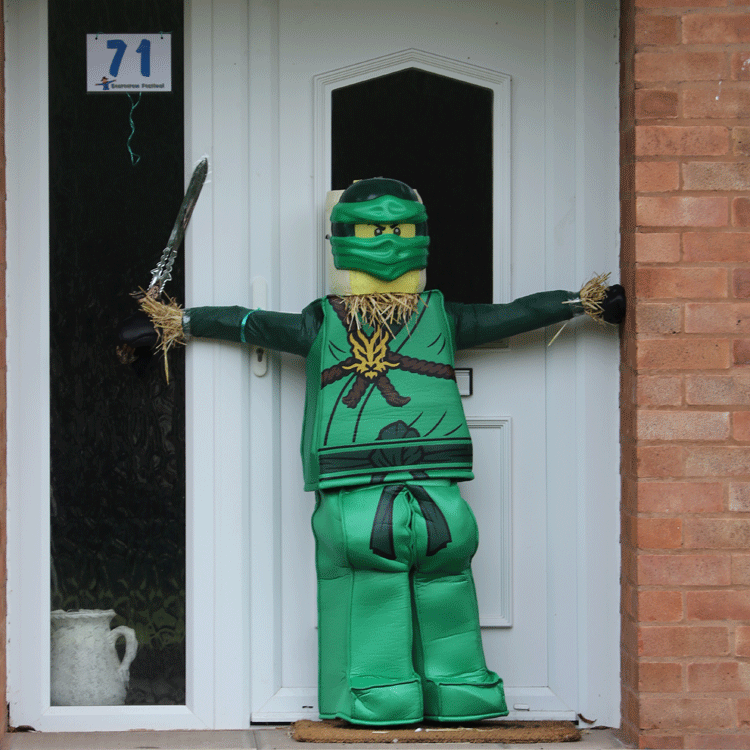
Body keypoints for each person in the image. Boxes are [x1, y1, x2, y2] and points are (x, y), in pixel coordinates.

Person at [121, 177, 625, 726]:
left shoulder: (377, 319)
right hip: (387, 477)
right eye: (374, 230)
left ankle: (415, 689)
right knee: (409, 569)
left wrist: (581, 303)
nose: (387, 242)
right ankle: (418, 686)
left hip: (394, 474)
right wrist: (176, 322)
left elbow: (251, 323)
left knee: (419, 565)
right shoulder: (372, 319)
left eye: (397, 230)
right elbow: (252, 323)